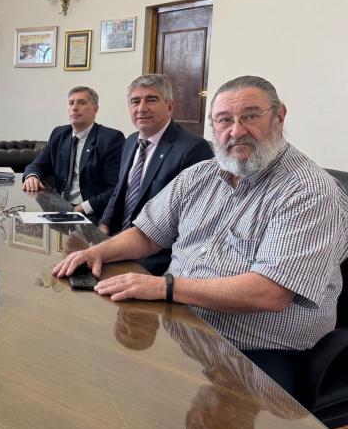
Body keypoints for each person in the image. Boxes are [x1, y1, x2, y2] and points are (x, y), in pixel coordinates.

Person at [54, 76, 348, 394]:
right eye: (224, 120)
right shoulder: (201, 175)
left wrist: (165, 286)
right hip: (180, 324)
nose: (236, 131)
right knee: (91, 369)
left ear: (279, 117)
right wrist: (96, 252)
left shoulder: (309, 191)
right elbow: (148, 235)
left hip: (257, 349)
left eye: (250, 116)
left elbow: (269, 293)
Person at [98, 75, 214, 274]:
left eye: (151, 100)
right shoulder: (130, 141)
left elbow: (191, 223)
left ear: (170, 106)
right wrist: (104, 225)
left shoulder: (193, 149)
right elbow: (120, 190)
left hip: (155, 257)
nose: (141, 108)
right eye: (135, 101)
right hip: (119, 241)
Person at [22, 86, 125, 219]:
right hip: (60, 209)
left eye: (82, 103)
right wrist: (32, 176)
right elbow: (37, 165)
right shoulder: (59, 134)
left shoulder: (111, 139)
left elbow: (115, 188)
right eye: (71, 103)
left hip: (93, 213)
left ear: (95, 109)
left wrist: (81, 208)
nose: (74, 108)